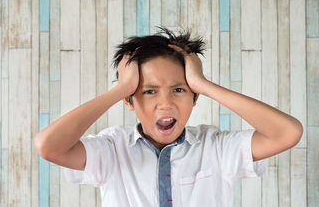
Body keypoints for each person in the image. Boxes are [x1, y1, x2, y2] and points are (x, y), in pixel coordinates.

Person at [34, 26, 303, 207]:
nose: (166, 103)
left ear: (194, 96)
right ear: (129, 99)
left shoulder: (216, 148)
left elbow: (287, 133)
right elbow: (48, 145)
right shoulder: (112, 149)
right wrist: (119, 89)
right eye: (149, 91)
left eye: (178, 90)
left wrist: (203, 84)